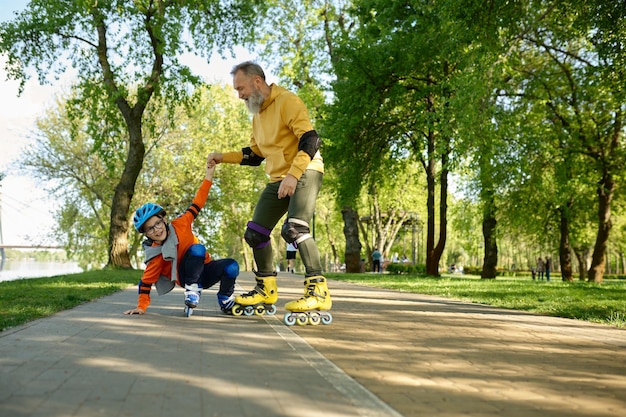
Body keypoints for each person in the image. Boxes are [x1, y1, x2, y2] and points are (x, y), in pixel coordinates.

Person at [207, 61, 331, 325]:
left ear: (257, 82)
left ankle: (318, 290)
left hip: (306, 169)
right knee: (255, 233)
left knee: (295, 228)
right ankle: (265, 289)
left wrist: (293, 175)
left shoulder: (288, 101)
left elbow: (311, 140)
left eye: (240, 88)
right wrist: (222, 157)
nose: (238, 94)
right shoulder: (258, 115)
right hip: (279, 177)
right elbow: (254, 155)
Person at [124, 156, 239, 317]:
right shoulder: (157, 254)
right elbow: (145, 283)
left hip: (205, 270)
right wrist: (141, 307)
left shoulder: (181, 223)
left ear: (164, 219)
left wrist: (209, 176)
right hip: (186, 277)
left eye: (157, 224)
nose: (156, 230)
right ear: (146, 235)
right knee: (197, 249)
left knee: (232, 266)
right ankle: (192, 289)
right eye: (150, 229)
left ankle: (225, 298)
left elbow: (198, 202)